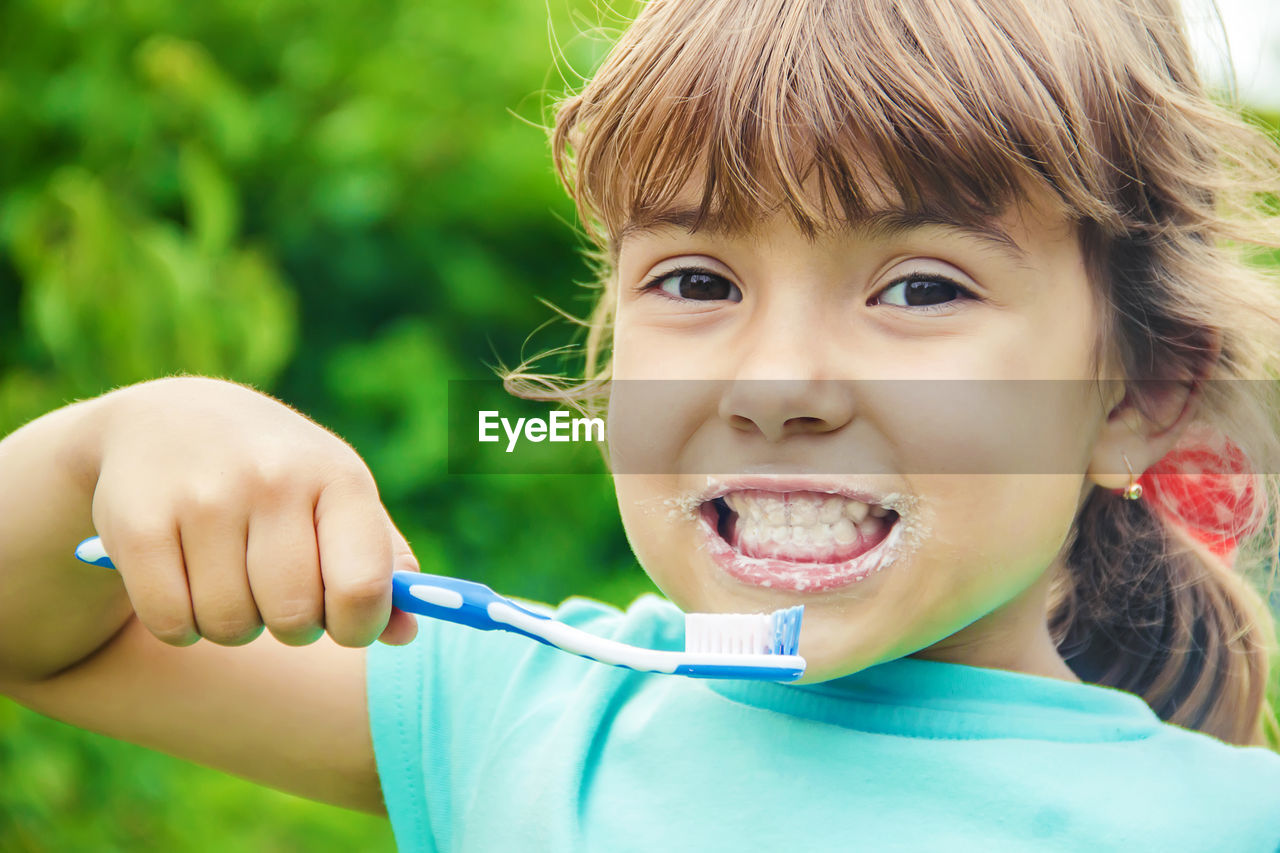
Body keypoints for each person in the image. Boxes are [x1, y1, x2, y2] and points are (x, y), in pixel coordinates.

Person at [3, 0, 1280, 849]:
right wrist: (113, 441)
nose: (776, 382)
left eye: (919, 288)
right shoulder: (521, 711)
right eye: (697, 282)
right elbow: (41, 636)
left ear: (1138, 397)